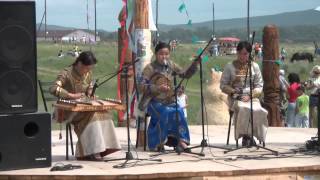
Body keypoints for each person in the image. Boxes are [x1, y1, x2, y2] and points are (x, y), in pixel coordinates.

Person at [49, 51, 121, 161]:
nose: (88, 71)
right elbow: (53, 89)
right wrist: (71, 95)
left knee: (104, 113)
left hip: (84, 107)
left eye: (90, 69)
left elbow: (89, 87)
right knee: (94, 116)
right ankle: (88, 151)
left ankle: (103, 148)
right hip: (69, 110)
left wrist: (90, 93)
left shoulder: (87, 73)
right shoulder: (66, 73)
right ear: (79, 63)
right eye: (86, 68)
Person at [138, 41, 198, 152]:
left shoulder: (170, 65)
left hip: (168, 100)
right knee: (165, 111)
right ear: (156, 54)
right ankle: (158, 142)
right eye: (161, 54)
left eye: (166, 54)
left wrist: (194, 65)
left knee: (179, 110)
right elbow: (141, 86)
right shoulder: (150, 68)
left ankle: (181, 141)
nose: (164, 56)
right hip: (152, 101)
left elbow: (184, 74)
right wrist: (157, 88)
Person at [220, 41, 267, 147]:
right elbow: (223, 85)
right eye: (240, 53)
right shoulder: (229, 66)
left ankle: (256, 135)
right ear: (237, 53)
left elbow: (259, 85)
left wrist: (250, 95)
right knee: (243, 108)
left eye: (245, 54)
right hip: (236, 97)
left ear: (249, 54)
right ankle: (245, 136)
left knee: (258, 110)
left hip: (252, 97)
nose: (242, 56)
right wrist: (234, 92)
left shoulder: (254, 66)